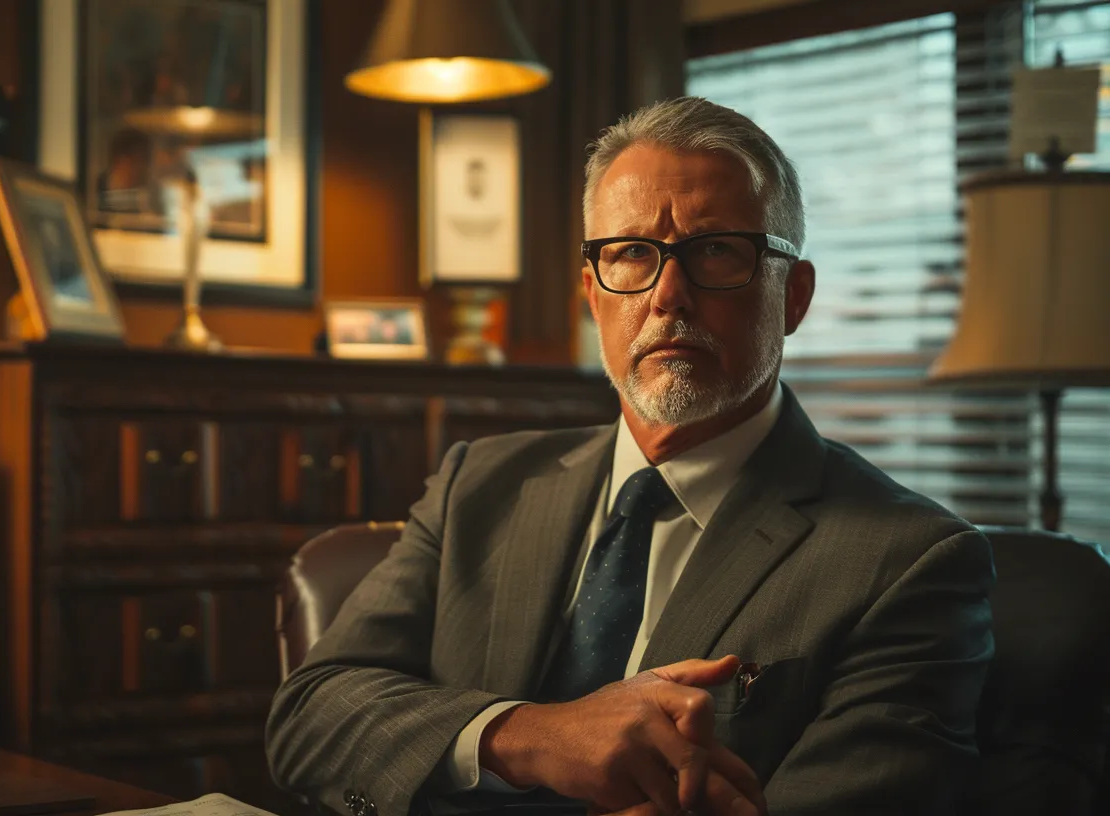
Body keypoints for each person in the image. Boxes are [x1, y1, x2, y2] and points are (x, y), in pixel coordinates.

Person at [265, 96, 995, 816]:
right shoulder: (478, 484)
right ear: (592, 291)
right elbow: (310, 715)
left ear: (793, 296)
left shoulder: (907, 561)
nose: (668, 295)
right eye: (631, 254)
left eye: (716, 251)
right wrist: (530, 737)